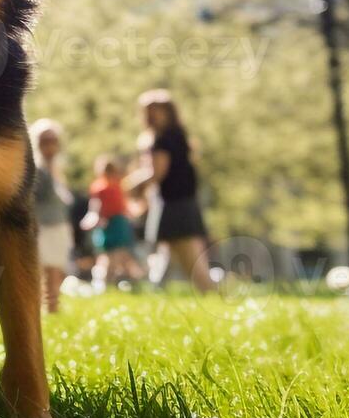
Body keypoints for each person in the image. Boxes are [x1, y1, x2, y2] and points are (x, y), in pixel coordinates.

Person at [128, 89, 213, 291]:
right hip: (177, 202)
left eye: (157, 110)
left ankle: (211, 295)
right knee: (168, 252)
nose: (153, 115)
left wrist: (133, 185)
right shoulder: (176, 136)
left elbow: (157, 172)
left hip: (176, 205)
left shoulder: (164, 139)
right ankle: (157, 292)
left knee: (191, 258)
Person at [29, 119, 74, 314]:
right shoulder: (34, 169)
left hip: (58, 225)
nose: (50, 144)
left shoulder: (57, 168)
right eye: (44, 140)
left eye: (53, 139)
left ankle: (52, 310)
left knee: (56, 270)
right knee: (38, 271)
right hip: (41, 226)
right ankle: (36, 311)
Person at [81, 155, 145, 285]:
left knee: (115, 256)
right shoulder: (109, 187)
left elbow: (97, 209)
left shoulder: (111, 186)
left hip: (115, 224)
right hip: (112, 224)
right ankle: (106, 282)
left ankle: (113, 282)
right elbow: (96, 209)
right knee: (113, 256)